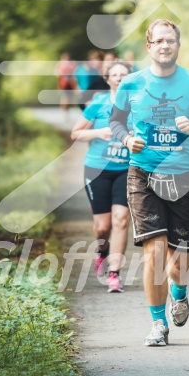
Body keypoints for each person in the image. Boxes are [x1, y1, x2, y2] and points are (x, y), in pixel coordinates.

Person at [109, 19, 189, 345]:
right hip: (142, 173)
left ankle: (179, 292)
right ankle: (158, 324)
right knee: (154, 253)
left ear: (178, 45)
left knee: (179, 261)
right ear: (149, 46)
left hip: (184, 176)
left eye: (170, 40)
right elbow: (115, 122)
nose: (165, 46)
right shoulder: (132, 83)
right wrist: (128, 139)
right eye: (158, 41)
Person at [71, 60, 132, 293]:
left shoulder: (139, 106)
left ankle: (114, 274)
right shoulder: (98, 103)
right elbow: (75, 133)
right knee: (102, 227)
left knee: (121, 219)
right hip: (97, 169)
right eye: (114, 74)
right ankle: (102, 251)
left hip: (127, 170)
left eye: (123, 74)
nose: (118, 77)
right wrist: (99, 132)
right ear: (107, 79)